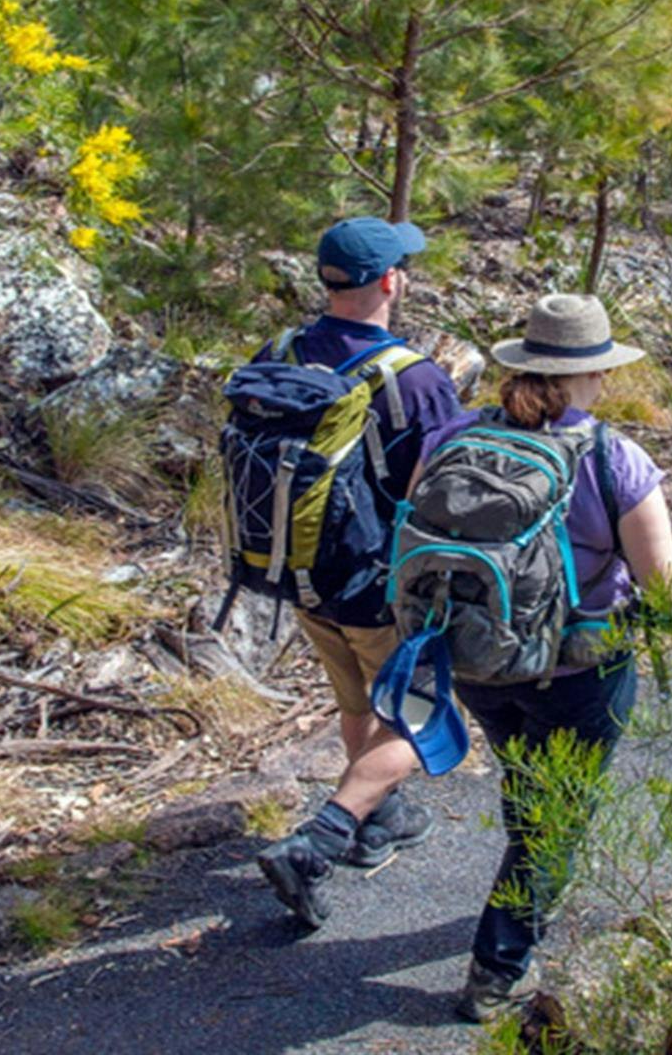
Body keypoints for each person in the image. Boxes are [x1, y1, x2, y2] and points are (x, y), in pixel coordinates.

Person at [422, 293, 672, 1023]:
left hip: (474, 657)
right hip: (580, 666)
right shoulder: (615, 458)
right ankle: (496, 967)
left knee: (528, 779)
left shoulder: (452, 437)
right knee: (560, 814)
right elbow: (665, 586)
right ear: (593, 375)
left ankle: (524, 878)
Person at [253, 216, 465, 927]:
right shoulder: (414, 378)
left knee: (357, 701)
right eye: (402, 266)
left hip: (299, 571)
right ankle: (325, 837)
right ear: (388, 281)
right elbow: (446, 490)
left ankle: (382, 819)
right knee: (421, 713)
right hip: (381, 581)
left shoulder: (281, 350)